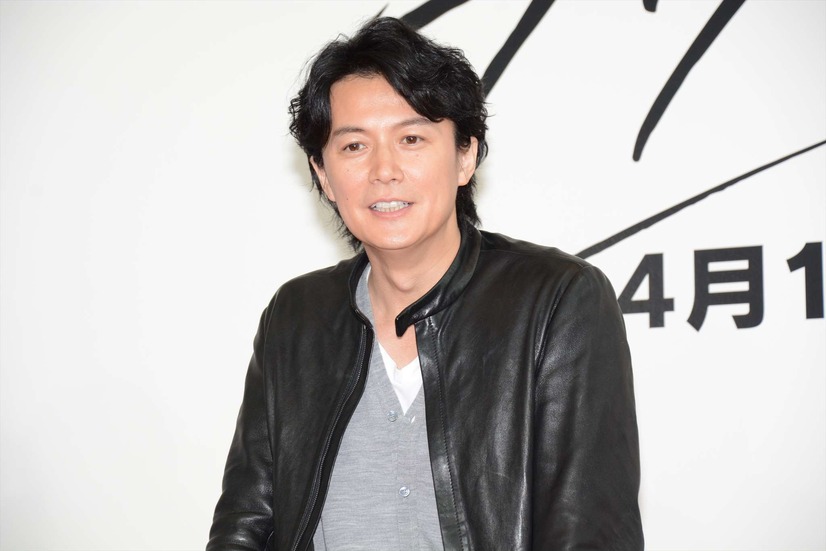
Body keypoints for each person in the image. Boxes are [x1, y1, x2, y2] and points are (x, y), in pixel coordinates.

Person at [208, 16, 642, 551]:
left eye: (411, 138)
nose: (384, 170)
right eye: (353, 147)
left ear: (465, 156)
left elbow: (589, 532)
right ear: (322, 174)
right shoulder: (295, 316)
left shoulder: (558, 300)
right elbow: (245, 524)